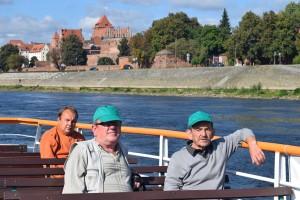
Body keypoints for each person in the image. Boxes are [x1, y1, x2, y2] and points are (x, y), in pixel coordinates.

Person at [164, 110, 265, 191]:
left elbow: (244, 132)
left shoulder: (221, 147)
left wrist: (252, 145)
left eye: (207, 129)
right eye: (198, 130)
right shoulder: (178, 158)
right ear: (189, 134)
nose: (203, 134)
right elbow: (170, 190)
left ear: (213, 132)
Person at [63, 105, 135, 193]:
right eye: (107, 123)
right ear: (94, 129)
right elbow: (72, 191)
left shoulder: (123, 151)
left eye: (116, 123)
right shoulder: (82, 150)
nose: (112, 127)